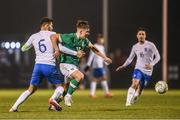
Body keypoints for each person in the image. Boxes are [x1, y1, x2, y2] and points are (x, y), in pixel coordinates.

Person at [9, 17, 84, 112]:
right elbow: (61, 48)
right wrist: (75, 53)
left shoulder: (34, 36)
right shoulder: (53, 35)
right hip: (49, 65)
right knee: (61, 86)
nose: (52, 27)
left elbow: (23, 48)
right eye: (51, 25)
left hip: (38, 66)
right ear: (46, 25)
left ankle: (14, 107)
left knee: (30, 89)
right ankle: (53, 100)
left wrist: (31, 45)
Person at [51, 20, 112, 107]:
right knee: (80, 76)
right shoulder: (70, 37)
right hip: (65, 64)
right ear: (80, 31)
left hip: (73, 65)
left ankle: (54, 105)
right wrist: (57, 49)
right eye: (87, 31)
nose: (88, 33)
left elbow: (93, 48)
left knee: (66, 89)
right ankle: (68, 97)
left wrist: (105, 58)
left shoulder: (85, 41)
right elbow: (53, 36)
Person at [116, 27, 160, 106]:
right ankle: (128, 102)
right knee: (134, 83)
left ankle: (135, 97)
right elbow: (130, 58)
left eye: (143, 34)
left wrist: (152, 64)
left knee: (140, 90)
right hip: (138, 68)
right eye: (140, 34)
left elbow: (158, 56)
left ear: (145, 36)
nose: (141, 35)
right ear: (137, 36)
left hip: (148, 71)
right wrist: (123, 66)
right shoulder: (135, 47)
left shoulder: (150, 45)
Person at [85, 34, 113, 98]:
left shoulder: (102, 47)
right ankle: (106, 93)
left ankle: (92, 94)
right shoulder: (94, 46)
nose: (101, 40)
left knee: (95, 79)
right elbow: (91, 56)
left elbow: (104, 57)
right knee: (104, 78)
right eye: (100, 38)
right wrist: (88, 65)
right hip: (97, 65)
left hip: (100, 65)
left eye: (102, 38)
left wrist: (107, 63)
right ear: (97, 39)